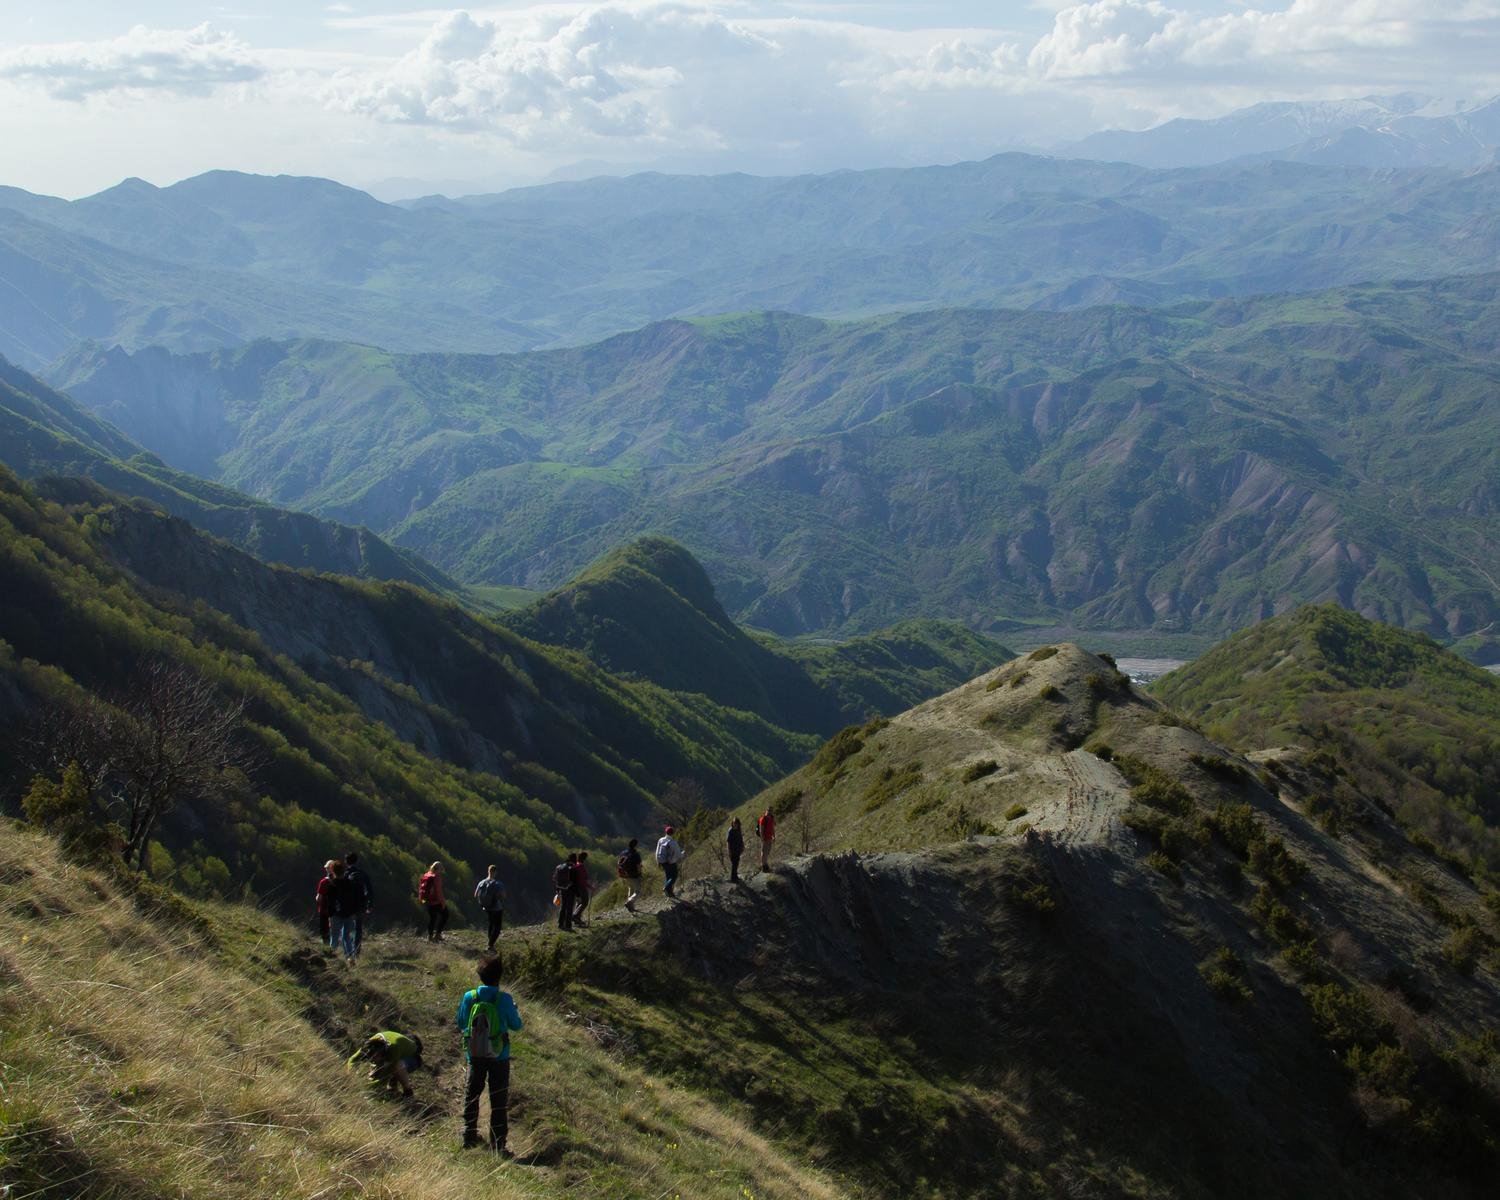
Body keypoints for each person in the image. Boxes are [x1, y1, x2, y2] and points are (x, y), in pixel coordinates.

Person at [456, 955, 524, 1154]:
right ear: (499, 976)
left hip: (475, 1054)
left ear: (480, 975)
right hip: (499, 1055)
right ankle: (498, 1144)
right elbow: (517, 1025)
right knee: (498, 1099)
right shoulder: (504, 999)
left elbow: (461, 1023)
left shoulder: (470, 997)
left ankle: (469, 1136)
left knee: (472, 1094)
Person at [347, 1030, 423, 1098]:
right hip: (398, 1049)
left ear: (382, 1054)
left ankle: (408, 1091)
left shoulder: (393, 1051)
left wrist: (363, 1088)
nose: (372, 1061)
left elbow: (382, 1079)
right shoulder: (368, 1046)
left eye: (374, 1059)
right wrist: (352, 1077)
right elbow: (352, 1060)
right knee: (376, 1074)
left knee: (395, 1066)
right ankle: (393, 1088)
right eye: (370, 1058)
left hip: (413, 1058)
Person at [330, 859, 364, 961]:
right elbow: (355, 898)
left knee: (335, 937)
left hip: (337, 914)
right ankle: (351, 957)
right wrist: (355, 911)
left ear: (332, 870)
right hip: (350, 913)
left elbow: (330, 900)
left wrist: (330, 913)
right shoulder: (350, 883)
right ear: (344, 870)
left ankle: (332, 958)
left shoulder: (332, 884)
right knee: (347, 937)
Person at [344, 851, 373, 952]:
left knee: (346, 928)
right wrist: (369, 905)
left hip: (347, 906)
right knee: (358, 928)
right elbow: (369, 890)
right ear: (357, 861)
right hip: (360, 905)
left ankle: (348, 951)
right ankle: (356, 951)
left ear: (346, 862)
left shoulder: (345, 874)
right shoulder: (363, 874)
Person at [474, 865, 506, 952]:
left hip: (486, 907)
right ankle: (490, 945)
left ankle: (490, 943)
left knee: (491, 924)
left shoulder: (481, 882)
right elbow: (503, 896)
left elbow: (476, 895)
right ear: (495, 872)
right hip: (497, 908)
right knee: (497, 926)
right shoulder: (498, 883)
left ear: (488, 871)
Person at [418, 861, 448, 942]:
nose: (441, 871)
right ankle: (438, 934)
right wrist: (443, 902)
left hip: (428, 901)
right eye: (441, 869)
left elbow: (421, 888)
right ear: (438, 869)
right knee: (445, 915)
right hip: (436, 901)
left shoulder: (426, 875)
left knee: (432, 919)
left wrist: (421, 899)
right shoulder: (437, 877)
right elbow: (439, 892)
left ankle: (430, 937)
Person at [655, 825, 683, 898]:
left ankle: (669, 893)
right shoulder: (673, 842)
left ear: (666, 832)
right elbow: (678, 854)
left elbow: (657, 851)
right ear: (673, 833)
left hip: (662, 861)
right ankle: (667, 888)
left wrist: (657, 861)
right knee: (674, 875)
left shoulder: (660, 840)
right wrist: (682, 855)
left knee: (668, 875)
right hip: (670, 862)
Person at [617, 838, 643, 912]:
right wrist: (639, 874)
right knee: (638, 891)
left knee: (630, 889)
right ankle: (629, 902)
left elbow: (619, 862)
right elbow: (638, 866)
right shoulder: (636, 854)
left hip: (625, 875)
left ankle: (631, 907)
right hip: (634, 875)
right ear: (635, 845)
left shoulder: (624, 852)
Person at [315, 859, 337, 944]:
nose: (326, 869)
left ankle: (326, 946)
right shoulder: (339, 881)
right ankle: (334, 946)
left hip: (324, 909)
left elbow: (319, 898)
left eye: (327, 868)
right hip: (335, 909)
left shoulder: (323, 882)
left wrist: (317, 898)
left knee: (324, 929)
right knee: (334, 929)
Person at [553, 852, 577, 931]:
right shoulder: (572, 868)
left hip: (562, 889)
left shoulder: (560, 867)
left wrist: (558, 889)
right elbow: (574, 881)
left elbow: (554, 878)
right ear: (574, 859)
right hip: (570, 889)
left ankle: (560, 924)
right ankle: (568, 925)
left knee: (563, 906)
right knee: (569, 908)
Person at [571, 851, 592, 926]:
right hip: (581, 887)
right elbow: (583, 880)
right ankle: (575, 915)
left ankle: (577, 918)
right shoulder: (581, 866)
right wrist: (590, 887)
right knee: (585, 902)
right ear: (583, 858)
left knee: (579, 902)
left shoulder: (575, 865)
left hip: (575, 887)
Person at [756, 807, 776, 871]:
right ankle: (763, 865)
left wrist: (774, 836)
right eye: (768, 810)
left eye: (771, 811)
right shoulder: (763, 819)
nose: (769, 812)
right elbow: (761, 829)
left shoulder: (771, 818)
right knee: (764, 851)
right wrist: (762, 838)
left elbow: (772, 828)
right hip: (765, 838)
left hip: (770, 837)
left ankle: (765, 863)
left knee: (767, 851)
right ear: (766, 811)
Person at [726, 817, 744, 883]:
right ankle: (733, 878)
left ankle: (735, 876)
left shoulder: (739, 830)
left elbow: (741, 838)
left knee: (737, 863)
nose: (735, 824)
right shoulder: (730, 830)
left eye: (736, 823)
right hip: (732, 850)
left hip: (738, 849)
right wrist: (729, 851)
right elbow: (728, 842)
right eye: (734, 823)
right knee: (734, 864)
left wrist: (743, 846)